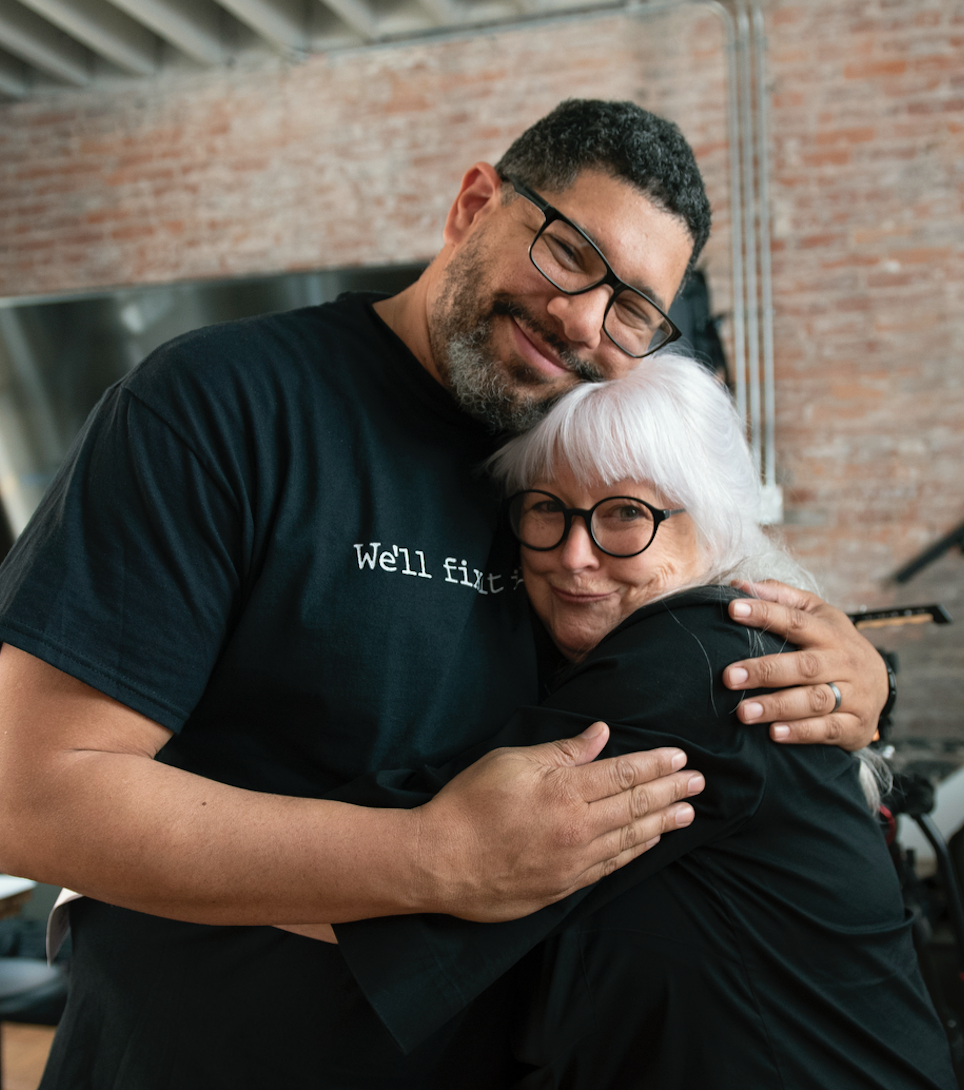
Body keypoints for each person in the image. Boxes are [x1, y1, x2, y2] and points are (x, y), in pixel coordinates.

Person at [0, 100, 889, 1087]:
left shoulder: (574, 467)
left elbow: (705, 607)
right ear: (474, 204)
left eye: (632, 309)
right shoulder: (222, 405)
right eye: (566, 253)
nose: (585, 320)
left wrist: (854, 677)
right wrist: (426, 855)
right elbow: (30, 793)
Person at [324, 352, 954, 1089]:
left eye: (627, 513)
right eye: (545, 508)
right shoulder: (666, 643)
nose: (574, 556)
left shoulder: (700, 665)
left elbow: (391, 888)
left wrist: (177, 863)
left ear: (712, 516)